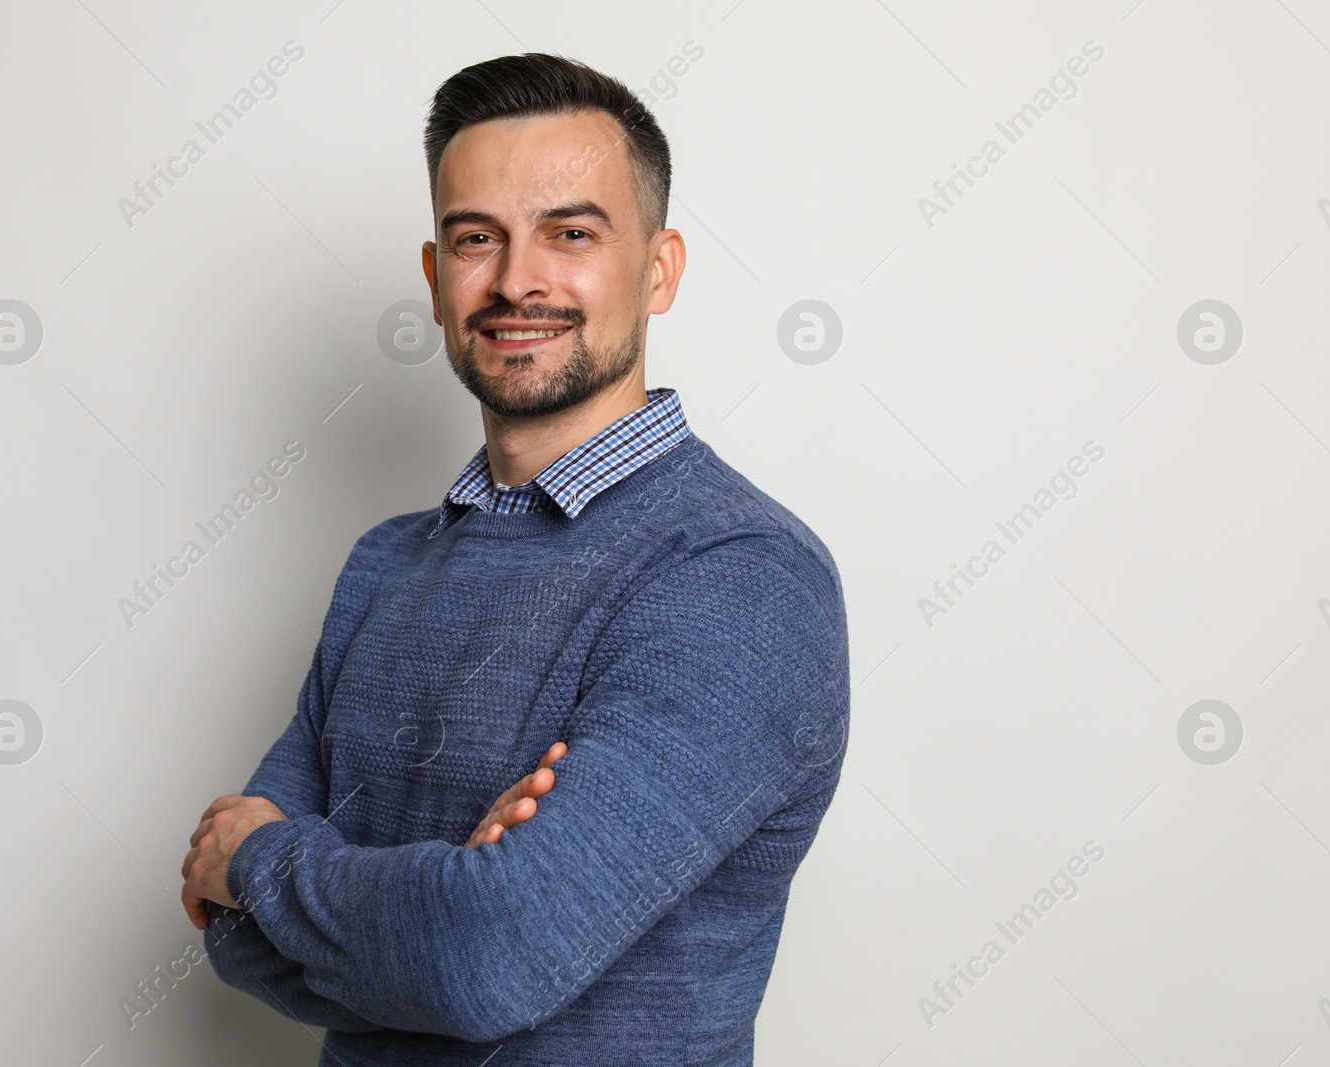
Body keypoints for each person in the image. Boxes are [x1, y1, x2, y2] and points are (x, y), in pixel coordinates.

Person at [181, 51, 850, 1065]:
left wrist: (263, 861)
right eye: (474, 239)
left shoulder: (737, 573)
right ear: (435, 278)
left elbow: (482, 955)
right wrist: (428, 904)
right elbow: (224, 929)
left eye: (570, 233)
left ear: (658, 269)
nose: (516, 280)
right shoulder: (384, 563)